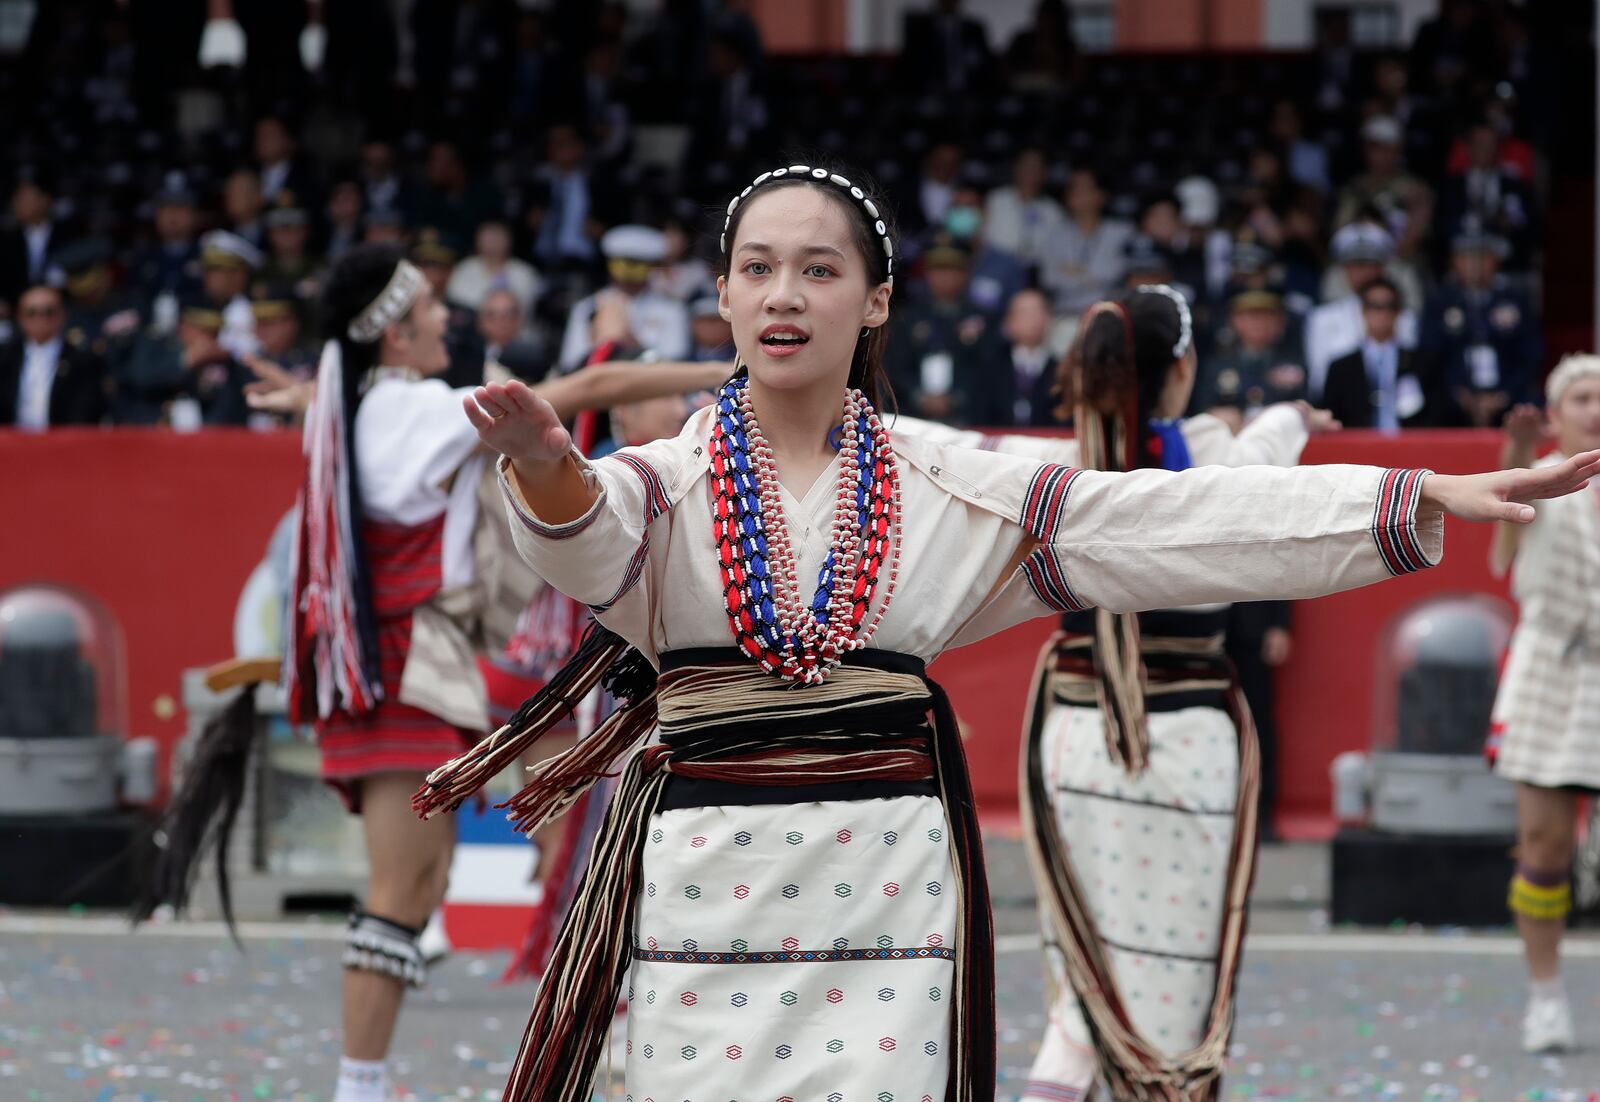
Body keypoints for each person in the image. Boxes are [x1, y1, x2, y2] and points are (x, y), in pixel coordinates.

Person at [433, 160, 1599, 1101]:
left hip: (884, 878)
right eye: (758, 268)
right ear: (725, 299)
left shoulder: (949, 480)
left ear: (877, 299)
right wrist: (545, 473)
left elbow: (1170, 514)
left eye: (818, 268)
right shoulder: (662, 479)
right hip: (707, 871)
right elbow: (592, 542)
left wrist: (1410, 496)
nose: (784, 293)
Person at [275, 243, 735, 1102]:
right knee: (404, 887)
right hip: (404, 663)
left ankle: (364, 1082)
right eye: (428, 316)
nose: (446, 320)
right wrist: (735, 361)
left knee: (420, 884)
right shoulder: (408, 407)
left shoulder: (366, 406)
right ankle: (357, 1087)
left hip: (409, 662)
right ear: (395, 339)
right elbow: (588, 394)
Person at [906, 286, 1328, 1101]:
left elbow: (939, 442)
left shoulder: (1054, 472)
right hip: (1186, 742)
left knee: (1081, 987)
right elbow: (1275, 447)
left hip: (1070, 740)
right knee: (1170, 999)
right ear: (1183, 372)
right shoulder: (1214, 466)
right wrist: (1295, 415)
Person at [1486, 355, 1600, 1055]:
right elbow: (1502, 540)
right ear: (1557, 412)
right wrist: (1520, 452)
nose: (1594, 406)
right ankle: (1546, 996)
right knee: (1545, 848)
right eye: (1581, 396)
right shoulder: (1536, 476)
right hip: (1553, 669)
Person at [1421, 225, 1541, 428]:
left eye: (1482, 257)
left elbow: (1532, 353)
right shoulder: (1440, 302)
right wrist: (1459, 392)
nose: (1475, 264)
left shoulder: (1514, 300)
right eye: (1467, 257)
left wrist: (1504, 394)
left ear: (1496, 260)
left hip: (1508, 394)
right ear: (1455, 261)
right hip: (1454, 396)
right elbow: (1430, 353)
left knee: (1531, 408)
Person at [884, 233, 1007, 425]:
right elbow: (894, 367)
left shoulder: (983, 319)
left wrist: (957, 397)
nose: (943, 276)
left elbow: (988, 370)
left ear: (966, 273)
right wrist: (918, 395)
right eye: (937, 269)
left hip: (967, 418)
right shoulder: (907, 317)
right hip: (913, 416)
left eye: (951, 269)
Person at [1303, 221, 1417, 400]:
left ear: (1382, 268)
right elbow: (1319, 381)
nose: (1363, 273)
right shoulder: (1322, 318)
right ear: (1345, 270)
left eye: (1370, 265)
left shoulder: (1405, 317)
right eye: (1356, 266)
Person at [557, 224, 690, 371]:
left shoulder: (672, 310)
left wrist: (626, 340)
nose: (629, 273)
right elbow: (570, 362)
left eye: (637, 264)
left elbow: (675, 363)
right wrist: (604, 341)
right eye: (623, 263)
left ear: (651, 265)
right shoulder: (587, 307)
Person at [1322, 276, 1438, 430]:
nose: (1382, 313)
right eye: (1375, 306)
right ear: (1363, 311)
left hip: (1408, 448)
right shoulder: (1341, 368)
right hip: (1358, 449)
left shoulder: (1422, 363)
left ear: (1398, 312)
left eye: (1389, 306)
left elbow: (1437, 415)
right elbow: (1331, 418)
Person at [0, 283, 106, 428]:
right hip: (11, 444)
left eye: (49, 312)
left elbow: (84, 413)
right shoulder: (5, 357)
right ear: (20, 317)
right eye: (32, 312)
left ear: (62, 314)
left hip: (61, 444)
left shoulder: (81, 360)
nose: (41, 319)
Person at [1194, 289, 1308, 415]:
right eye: (1251, 317)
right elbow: (1203, 409)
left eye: (1267, 316)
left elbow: (1306, 407)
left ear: (1281, 322)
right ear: (1234, 321)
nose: (1259, 323)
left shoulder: (1294, 362)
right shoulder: (1216, 364)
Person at [1039, 167, 1134, 315]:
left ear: (1101, 195)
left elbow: (1116, 273)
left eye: (1084, 188)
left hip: (1107, 314)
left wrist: (1074, 271)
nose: (1076, 193)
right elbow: (1049, 278)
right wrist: (1093, 277)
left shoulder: (1121, 232)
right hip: (1064, 314)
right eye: (1073, 188)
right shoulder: (1055, 234)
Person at [982, 146, 1065, 269]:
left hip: (1036, 270)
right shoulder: (996, 199)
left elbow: (1057, 252)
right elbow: (981, 238)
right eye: (1025, 166)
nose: (1029, 171)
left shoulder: (1053, 210)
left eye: (1035, 167)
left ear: (1044, 173)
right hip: (996, 265)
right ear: (1016, 168)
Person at [446, 220, 543, 317]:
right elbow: (455, 304)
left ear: (509, 241)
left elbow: (526, 310)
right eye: (488, 239)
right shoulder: (464, 268)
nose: (492, 243)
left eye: (497, 238)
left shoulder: (525, 273)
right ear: (477, 241)